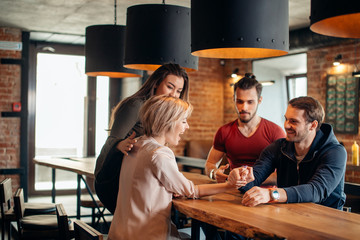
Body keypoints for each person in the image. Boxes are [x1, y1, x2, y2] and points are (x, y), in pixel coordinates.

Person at [107, 96, 252, 240]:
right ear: (166, 122)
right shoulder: (159, 154)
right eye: (183, 121)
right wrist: (230, 185)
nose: (187, 126)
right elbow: (192, 191)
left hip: (119, 234)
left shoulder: (135, 144)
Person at [94, 63, 190, 214]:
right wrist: (119, 144)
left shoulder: (162, 111)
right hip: (111, 178)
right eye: (170, 87)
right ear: (156, 82)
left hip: (135, 177)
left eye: (178, 91)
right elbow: (112, 141)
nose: (173, 95)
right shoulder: (136, 105)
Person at [232, 96, 347, 209]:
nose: (286, 125)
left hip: (325, 220)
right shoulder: (278, 147)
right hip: (289, 215)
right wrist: (239, 179)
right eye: (286, 119)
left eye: (293, 121)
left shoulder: (335, 152)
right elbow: (253, 179)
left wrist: (272, 194)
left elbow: (316, 191)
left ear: (313, 125)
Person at [205, 73, 285, 183]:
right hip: (232, 191)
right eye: (240, 101)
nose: (244, 107)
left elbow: (285, 173)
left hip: (266, 194)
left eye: (250, 102)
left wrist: (250, 180)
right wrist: (214, 173)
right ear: (234, 99)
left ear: (259, 100)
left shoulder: (275, 132)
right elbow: (210, 164)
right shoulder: (224, 131)